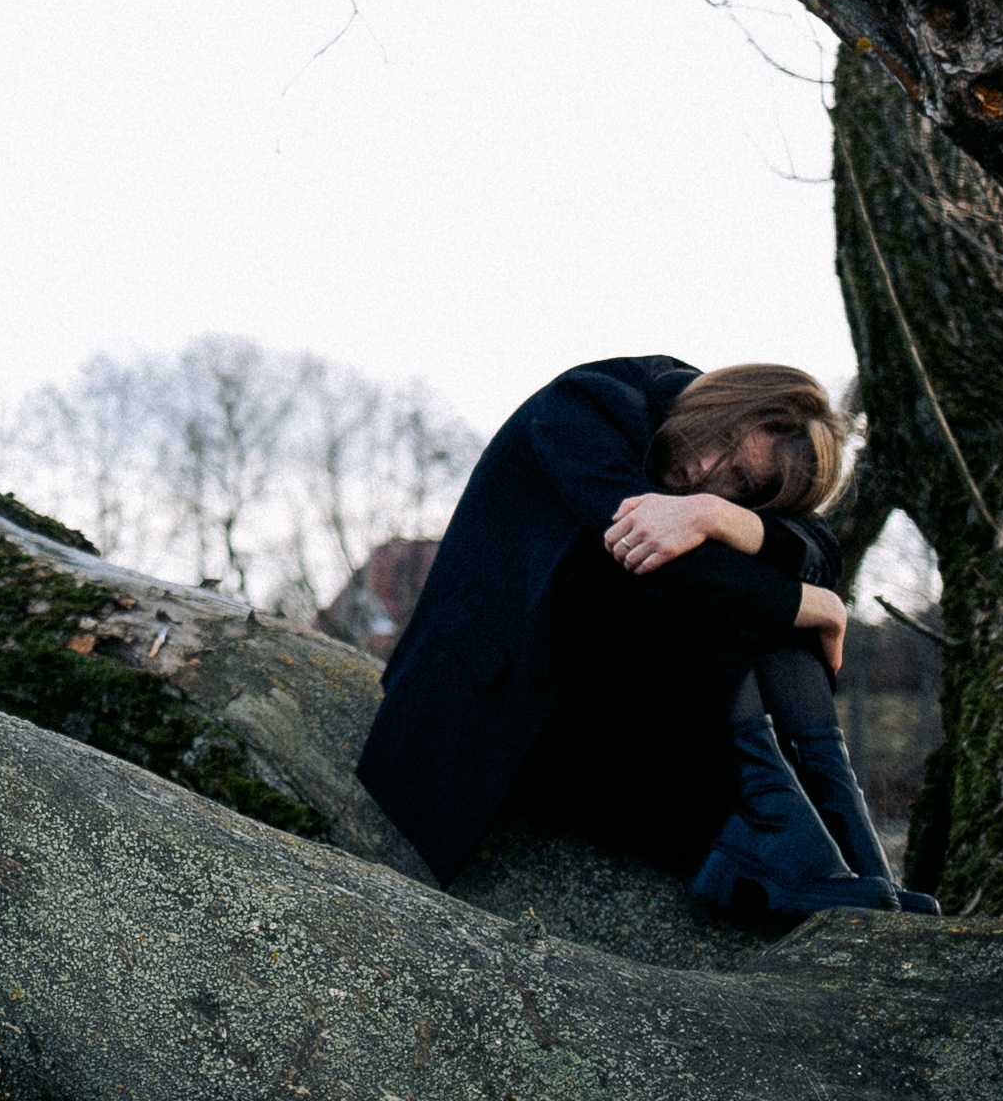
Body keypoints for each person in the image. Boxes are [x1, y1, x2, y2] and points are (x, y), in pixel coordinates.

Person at [355, 356, 934, 917]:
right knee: (707, 591)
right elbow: (646, 552)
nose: (708, 470)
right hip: (491, 714)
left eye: (740, 482)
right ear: (727, 402)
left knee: (774, 619)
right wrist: (816, 605)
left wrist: (716, 517)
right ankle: (775, 831)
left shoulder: (706, 486)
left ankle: (847, 852)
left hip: (600, 719)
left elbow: (819, 550)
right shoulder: (586, 405)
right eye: (725, 443)